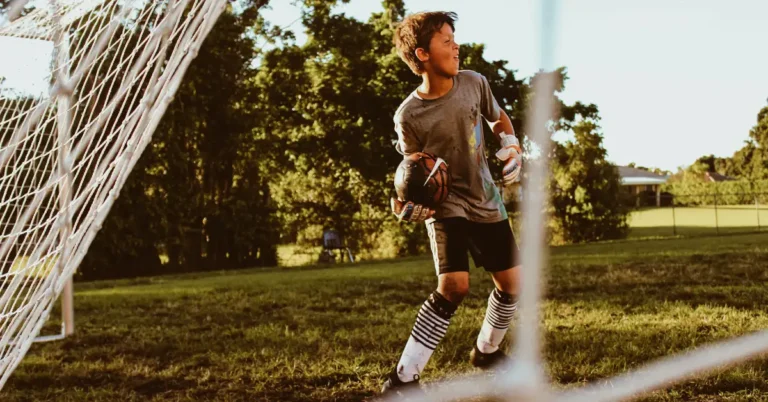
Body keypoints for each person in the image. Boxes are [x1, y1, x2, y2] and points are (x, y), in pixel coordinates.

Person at [382, 11, 524, 397]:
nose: (455, 45)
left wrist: (510, 145)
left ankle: (487, 352)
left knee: (513, 285)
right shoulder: (408, 115)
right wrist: (405, 206)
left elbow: (499, 120)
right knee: (454, 286)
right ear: (422, 54)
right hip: (447, 206)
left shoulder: (474, 84)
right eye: (446, 40)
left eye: (454, 37)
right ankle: (403, 379)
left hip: (485, 197)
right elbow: (409, 174)